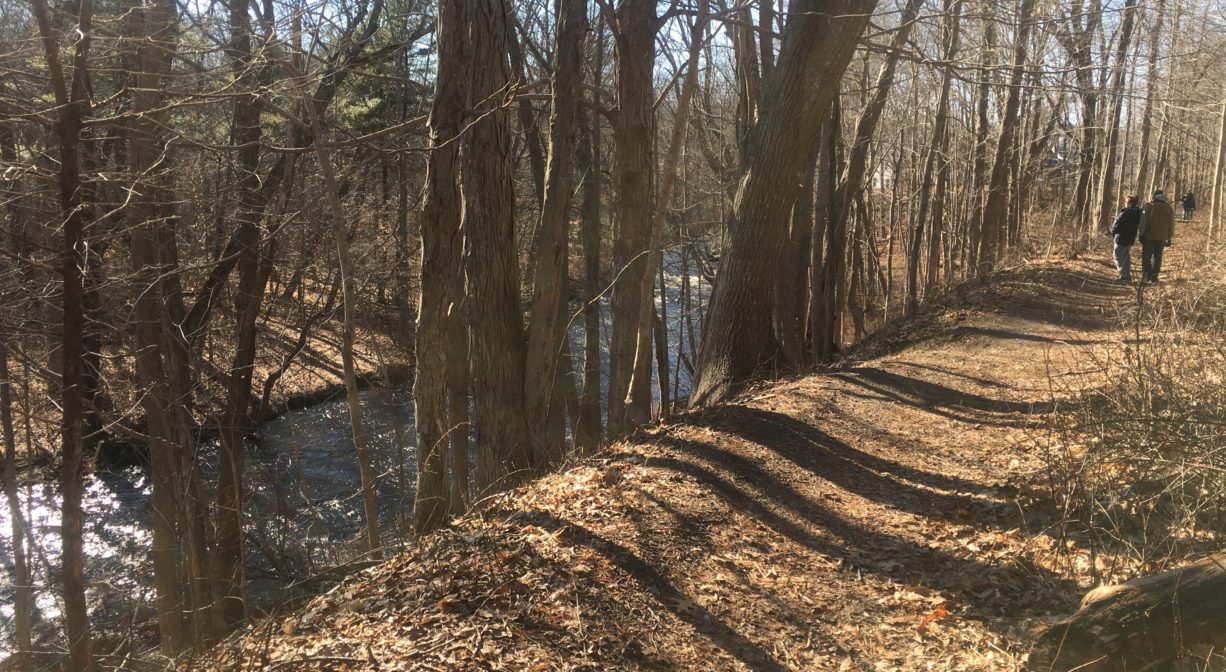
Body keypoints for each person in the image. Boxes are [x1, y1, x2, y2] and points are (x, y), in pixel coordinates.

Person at [1139, 189, 1175, 284]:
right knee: (1158, 257)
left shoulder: (1148, 206)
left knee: (1147, 257)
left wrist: (1141, 234)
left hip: (1149, 236)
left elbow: (1142, 222)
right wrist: (1169, 238)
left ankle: (1147, 277)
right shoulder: (1169, 209)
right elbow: (1171, 225)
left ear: (1154, 197)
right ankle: (1154, 277)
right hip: (1162, 237)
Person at [1107, 194, 1142, 282]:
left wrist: (1112, 232)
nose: (1124, 204)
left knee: (1117, 256)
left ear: (1130, 204)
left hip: (1120, 239)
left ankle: (1124, 276)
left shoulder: (1125, 213)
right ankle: (1127, 276)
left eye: (1126, 202)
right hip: (1130, 239)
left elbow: (1115, 226)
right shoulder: (1138, 214)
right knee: (1126, 257)